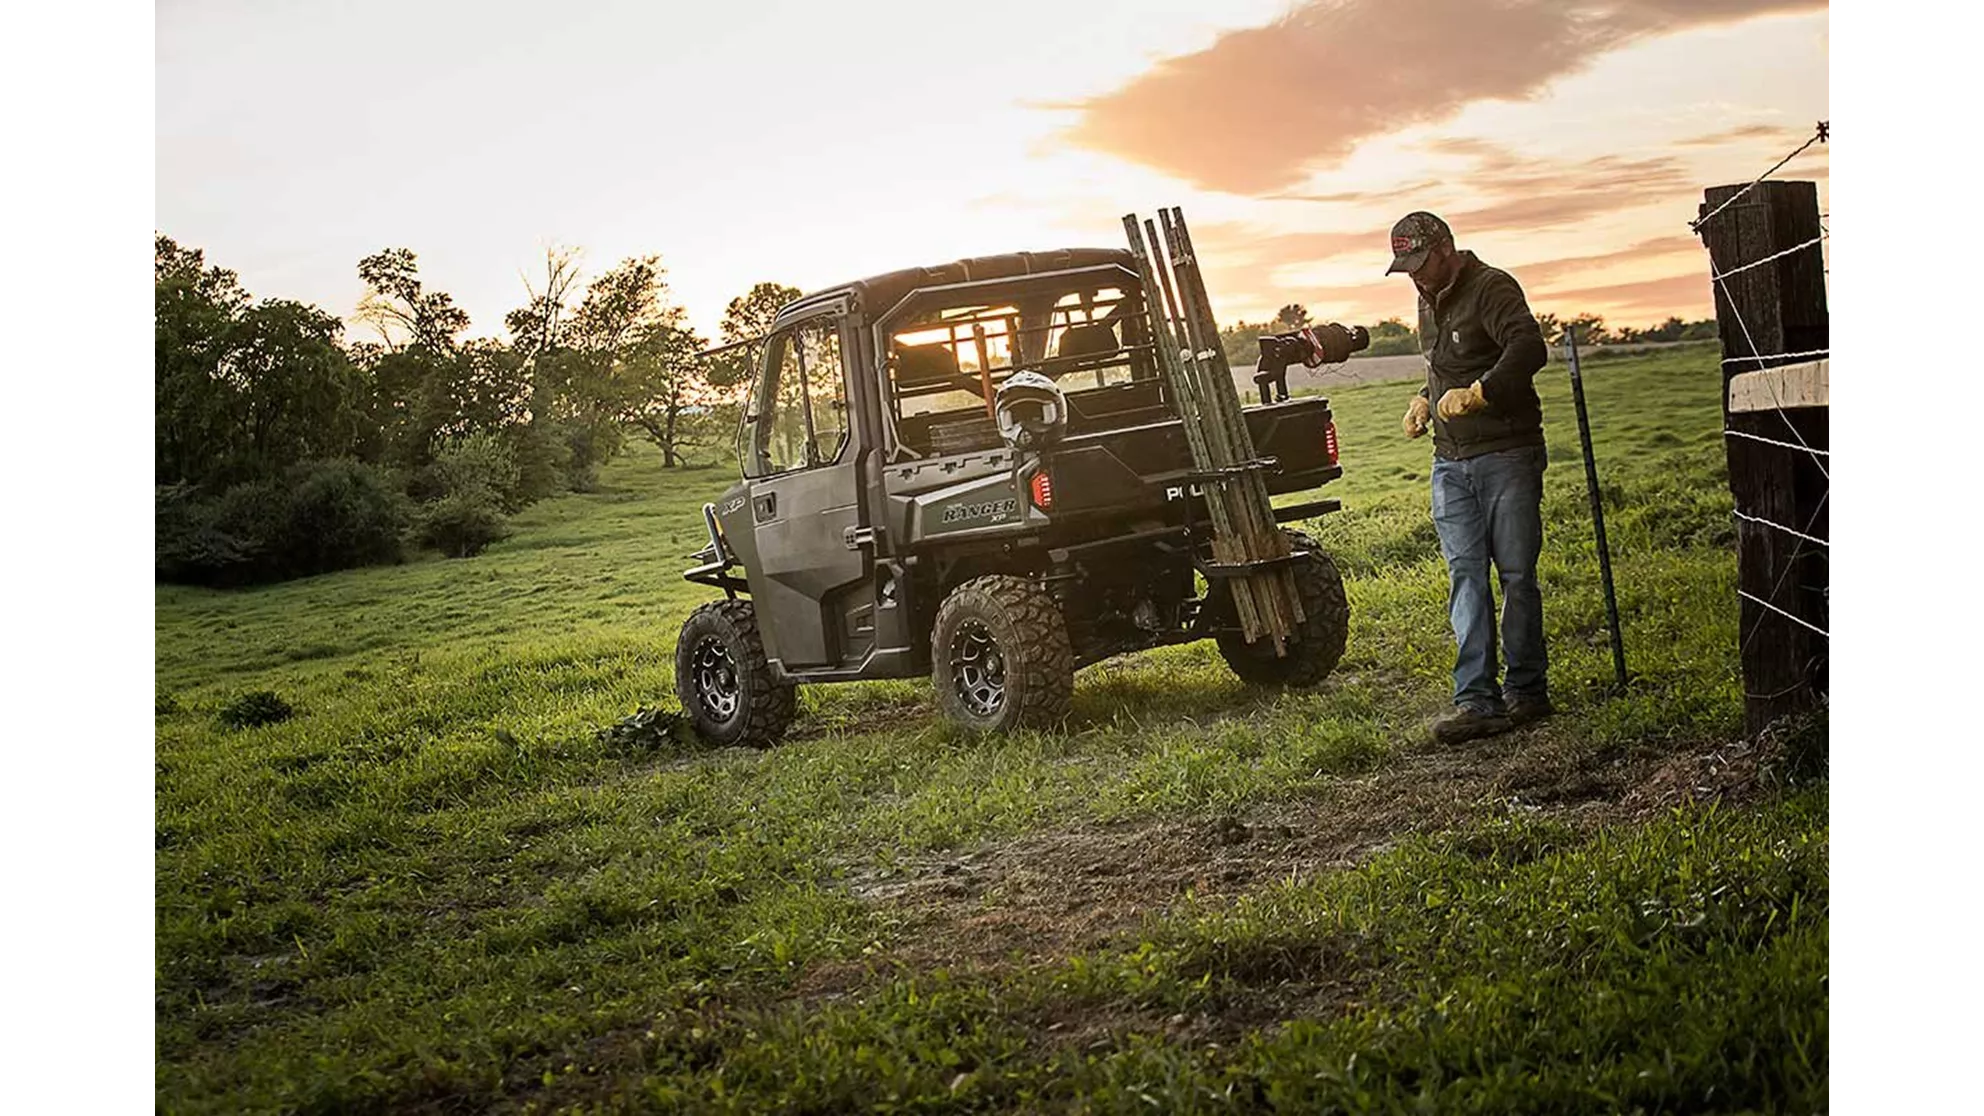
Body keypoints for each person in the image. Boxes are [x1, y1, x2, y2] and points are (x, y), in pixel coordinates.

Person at [1387, 211, 1554, 744]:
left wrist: (1483, 391)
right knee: (1466, 577)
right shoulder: (1425, 298)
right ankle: (1478, 702)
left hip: (1506, 453)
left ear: (1445, 248)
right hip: (1449, 461)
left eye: (1420, 263)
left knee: (1516, 576)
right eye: (1406, 267)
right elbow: (1441, 363)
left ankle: (1527, 693)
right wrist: (1424, 397)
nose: (1415, 275)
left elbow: (1529, 347)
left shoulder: (1492, 287)